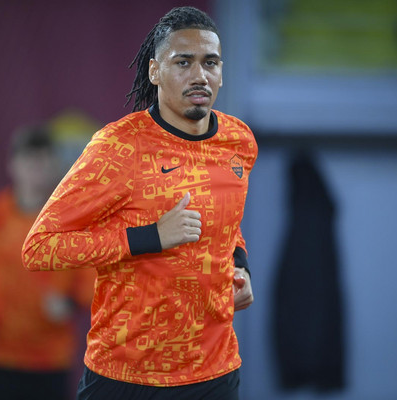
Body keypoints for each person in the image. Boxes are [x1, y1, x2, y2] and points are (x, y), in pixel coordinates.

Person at [22, 6, 257, 400]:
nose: (200, 75)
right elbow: (40, 247)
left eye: (210, 63)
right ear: (154, 71)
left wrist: (241, 264)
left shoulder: (239, 141)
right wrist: (149, 236)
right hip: (125, 376)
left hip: (215, 373)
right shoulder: (118, 147)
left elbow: (228, 223)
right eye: (183, 62)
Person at [0, 126, 94, 400]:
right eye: (29, 159)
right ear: (12, 165)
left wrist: (71, 303)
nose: (36, 168)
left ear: (55, 165)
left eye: (43, 159)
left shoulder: (72, 220)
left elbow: (91, 274)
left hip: (49, 356)